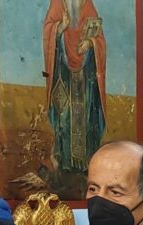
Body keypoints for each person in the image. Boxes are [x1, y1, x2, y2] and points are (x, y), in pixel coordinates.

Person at [43, 0, 107, 171]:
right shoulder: (58, 4)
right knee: (64, 115)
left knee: (86, 116)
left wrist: (91, 43)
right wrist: (59, 28)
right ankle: (64, 161)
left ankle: (86, 163)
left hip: (85, 76)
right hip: (63, 73)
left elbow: (100, 38)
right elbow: (48, 31)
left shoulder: (87, 4)